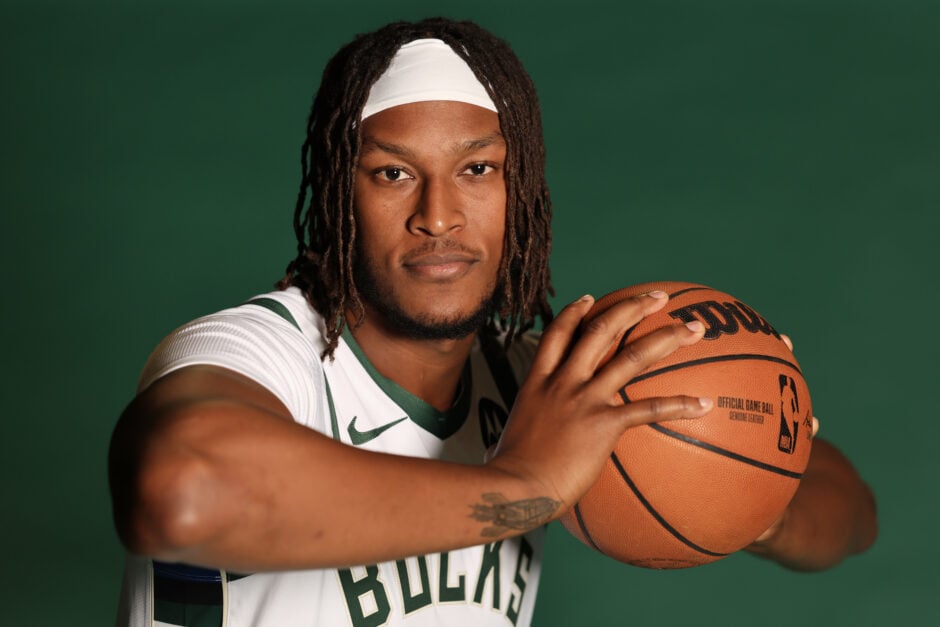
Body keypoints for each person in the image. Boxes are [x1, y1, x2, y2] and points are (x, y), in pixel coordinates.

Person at [108, 17, 877, 627]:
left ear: (523, 192)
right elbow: (183, 492)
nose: (438, 215)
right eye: (392, 173)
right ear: (341, 197)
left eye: (477, 169)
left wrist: (744, 479)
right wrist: (526, 484)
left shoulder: (537, 383)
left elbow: (848, 507)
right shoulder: (260, 349)